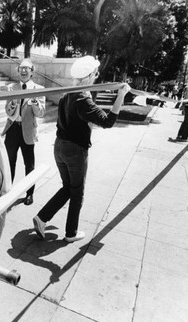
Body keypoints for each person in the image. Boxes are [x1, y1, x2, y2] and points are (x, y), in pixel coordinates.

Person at [32, 56, 130, 242]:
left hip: (59, 147)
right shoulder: (82, 99)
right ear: (90, 76)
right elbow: (108, 122)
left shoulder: (67, 94)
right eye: (95, 73)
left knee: (68, 188)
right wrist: (121, 96)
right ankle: (71, 233)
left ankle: (42, 217)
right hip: (74, 151)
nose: (97, 76)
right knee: (77, 192)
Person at [1, 58, 45, 206]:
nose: (24, 71)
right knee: (9, 162)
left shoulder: (38, 89)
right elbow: (7, 111)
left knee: (29, 165)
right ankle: (7, 192)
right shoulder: (12, 88)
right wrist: (12, 105)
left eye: (27, 69)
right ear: (18, 71)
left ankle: (29, 194)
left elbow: (41, 113)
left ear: (32, 72)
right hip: (12, 129)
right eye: (21, 68)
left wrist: (35, 104)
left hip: (28, 130)